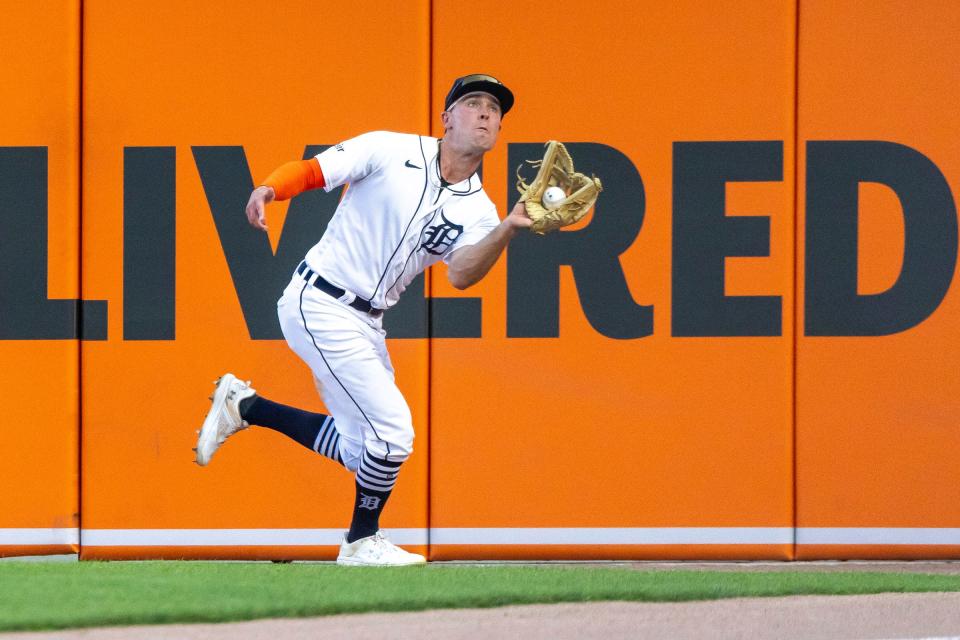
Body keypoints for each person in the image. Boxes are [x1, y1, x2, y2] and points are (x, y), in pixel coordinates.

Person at [195, 74, 532, 566]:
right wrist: (269, 188)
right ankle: (360, 540)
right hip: (319, 300)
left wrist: (507, 229)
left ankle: (247, 407)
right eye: (473, 103)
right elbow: (313, 171)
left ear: (499, 128)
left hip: (369, 323)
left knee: (365, 453)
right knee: (394, 433)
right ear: (446, 118)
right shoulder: (389, 149)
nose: (484, 113)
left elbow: (462, 274)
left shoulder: (480, 210)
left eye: (494, 110)